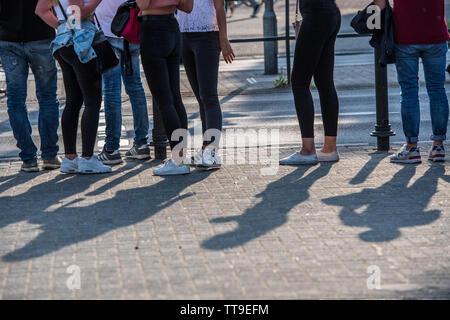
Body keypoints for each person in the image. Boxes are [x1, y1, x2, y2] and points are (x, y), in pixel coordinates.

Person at [36, 0, 112, 174]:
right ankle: (87, 159)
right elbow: (79, 12)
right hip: (82, 40)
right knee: (92, 100)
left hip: (64, 41)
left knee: (73, 101)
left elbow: (41, 10)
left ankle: (70, 159)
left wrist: (63, 27)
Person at [374, 0, 449, 164]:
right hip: (436, 32)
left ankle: (412, 148)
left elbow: (379, 3)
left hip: (406, 33)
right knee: (437, 89)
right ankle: (438, 147)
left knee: (409, 92)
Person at [0, 0, 61, 172]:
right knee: (48, 96)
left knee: (15, 99)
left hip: (8, 38)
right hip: (41, 35)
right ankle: (49, 155)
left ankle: (28, 158)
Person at [280, 0, 341, 165]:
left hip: (316, 14)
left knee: (299, 81)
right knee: (325, 82)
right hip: (331, 12)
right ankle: (330, 148)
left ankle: (307, 151)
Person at [137, 0, 194, 176]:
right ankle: (180, 157)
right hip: (172, 27)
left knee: (164, 101)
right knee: (175, 97)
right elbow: (188, 7)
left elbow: (142, 4)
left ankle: (176, 161)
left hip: (153, 30)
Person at [176, 0, 235, 169]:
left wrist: (223, 39)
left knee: (209, 96)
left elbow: (219, 6)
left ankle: (213, 151)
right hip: (184, 35)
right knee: (201, 97)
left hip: (207, 36)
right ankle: (206, 148)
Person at [96, 0, 151, 165]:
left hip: (108, 30)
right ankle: (141, 143)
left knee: (112, 91)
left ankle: (112, 148)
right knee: (135, 88)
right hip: (130, 27)